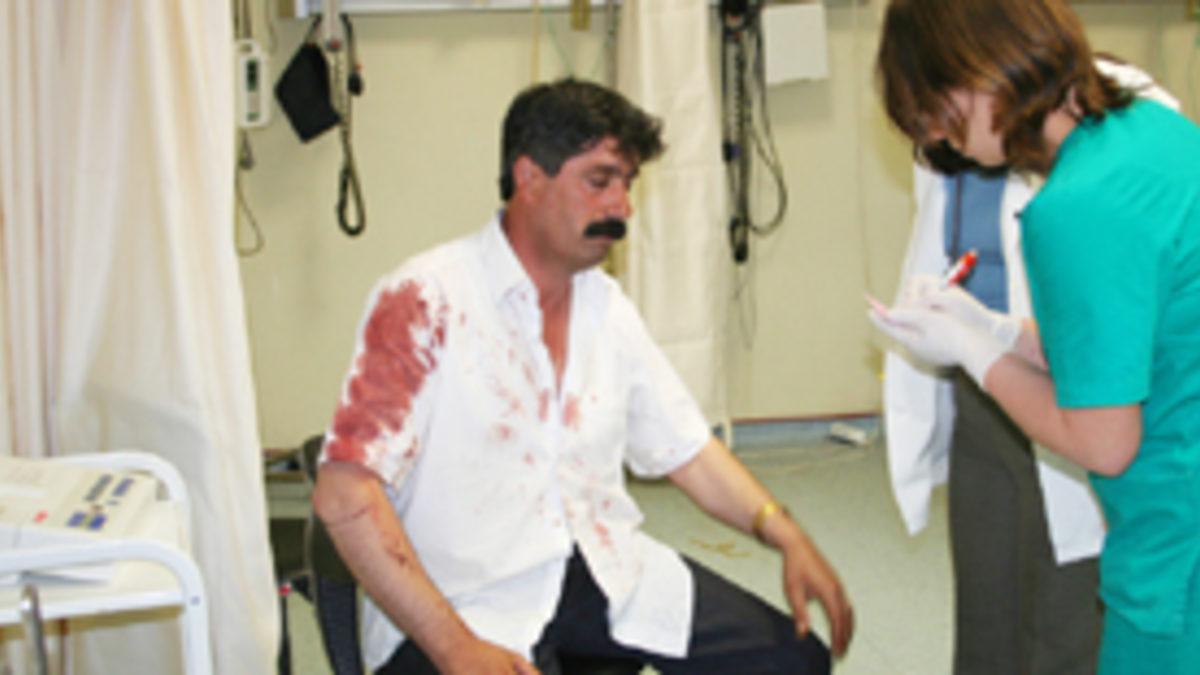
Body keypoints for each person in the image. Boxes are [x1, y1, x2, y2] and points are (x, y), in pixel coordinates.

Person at [312, 78, 853, 675]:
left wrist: (783, 532)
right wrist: (453, 646)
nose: (622, 207)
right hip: (461, 601)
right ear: (528, 177)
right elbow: (344, 495)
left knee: (794, 663)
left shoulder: (606, 308)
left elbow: (688, 451)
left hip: (595, 566)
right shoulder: (426, 298)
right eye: (599, 181)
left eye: (628, 184)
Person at [870, 1, 1200, 672]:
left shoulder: (1074, 207)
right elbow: (1127, 342)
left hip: (1178, 543)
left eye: (937, 111)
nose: (942, 140)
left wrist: (974, 353)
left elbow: (1104, 441)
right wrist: (991, 327)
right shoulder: (1154, 134)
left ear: (979, 71)